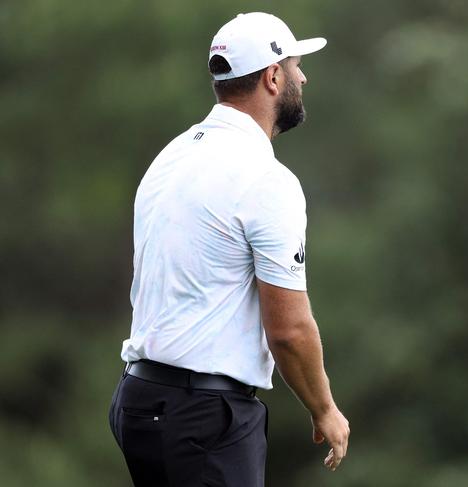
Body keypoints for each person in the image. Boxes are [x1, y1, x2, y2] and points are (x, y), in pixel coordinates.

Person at [108, 12, 350, 487]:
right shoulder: (267, 180)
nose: (303, 76)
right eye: (296, 65)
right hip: (204, 419)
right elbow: (289, 330)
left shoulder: (173, 154)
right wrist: (326, 410)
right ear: (273, 77)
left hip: (138, 401)